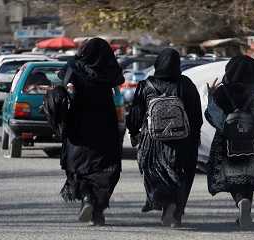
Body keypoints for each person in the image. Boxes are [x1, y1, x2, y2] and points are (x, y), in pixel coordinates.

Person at [126, 48, 202, 228]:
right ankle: (176, 211)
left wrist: (133, 132)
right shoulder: (186, 84)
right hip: (182, 142)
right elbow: (196, 116)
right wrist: (194, 138)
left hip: (153, 143)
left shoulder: (146, 85)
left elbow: (136, 114)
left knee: (156, 174)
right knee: (181, 176)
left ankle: (165, 204)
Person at [205, 55, 254, 228]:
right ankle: (246, 209)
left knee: (233, 179)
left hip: (227, 144)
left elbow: (212, 117)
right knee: (248, 178)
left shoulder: (221, 92)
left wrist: (211, 96)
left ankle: (240, 202)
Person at [58, 38, 124, 226]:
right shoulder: (110, 69)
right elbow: (118, 84)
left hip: (79, 123)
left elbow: (61, 81)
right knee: (107, 167)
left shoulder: (74, 66)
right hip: (106, 123)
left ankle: (87, 197)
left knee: (79, 165)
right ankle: (98, 211)